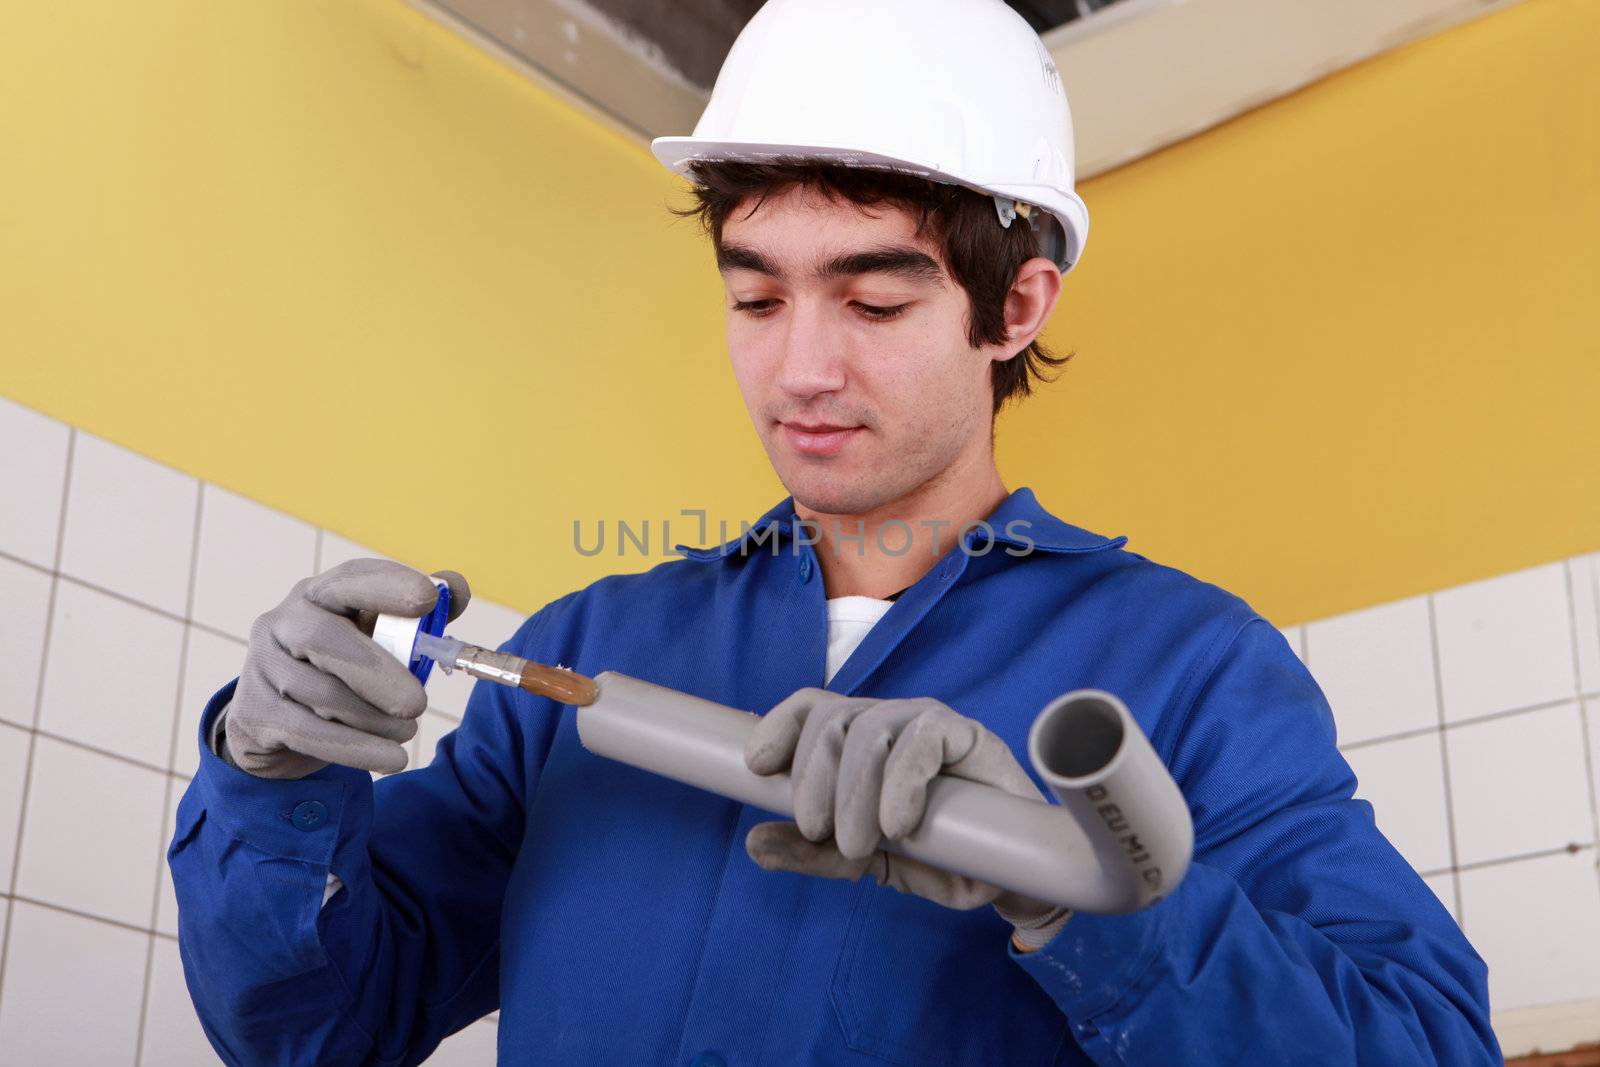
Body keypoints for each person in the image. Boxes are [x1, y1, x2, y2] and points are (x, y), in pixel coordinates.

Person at [168, 1, 1501, 1063]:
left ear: (1016, 307)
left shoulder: (1192, 668)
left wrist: (1093, 902)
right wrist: (268, 781)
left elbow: (1428, 1048)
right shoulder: (592, 648)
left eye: (871, 305)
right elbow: (314, 1031)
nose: (800, 369)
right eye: (756, 302)